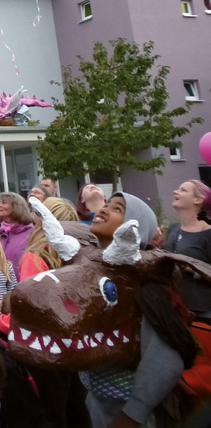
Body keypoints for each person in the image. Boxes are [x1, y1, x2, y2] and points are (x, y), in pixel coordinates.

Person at [83, 192, 195, 428]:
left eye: (118, 209)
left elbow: (165, 360)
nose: (103, 209)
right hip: (98, 408)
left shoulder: (144, 287)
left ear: (136, 230)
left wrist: (133, 414)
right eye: (106, 204)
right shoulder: (90, 273)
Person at [166, 180, 211, 318]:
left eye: (183, 190)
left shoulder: (208, 233)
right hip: (176, 308)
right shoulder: (173, 229)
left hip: (203, 312)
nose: (175, 192)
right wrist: (158, 246)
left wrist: (194, 269)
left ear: (198, 199)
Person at [0, 192, 32, 277]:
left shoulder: (31, 233)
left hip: (23, 281)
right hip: (0, 283)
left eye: (4, 203)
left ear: (16, 207)